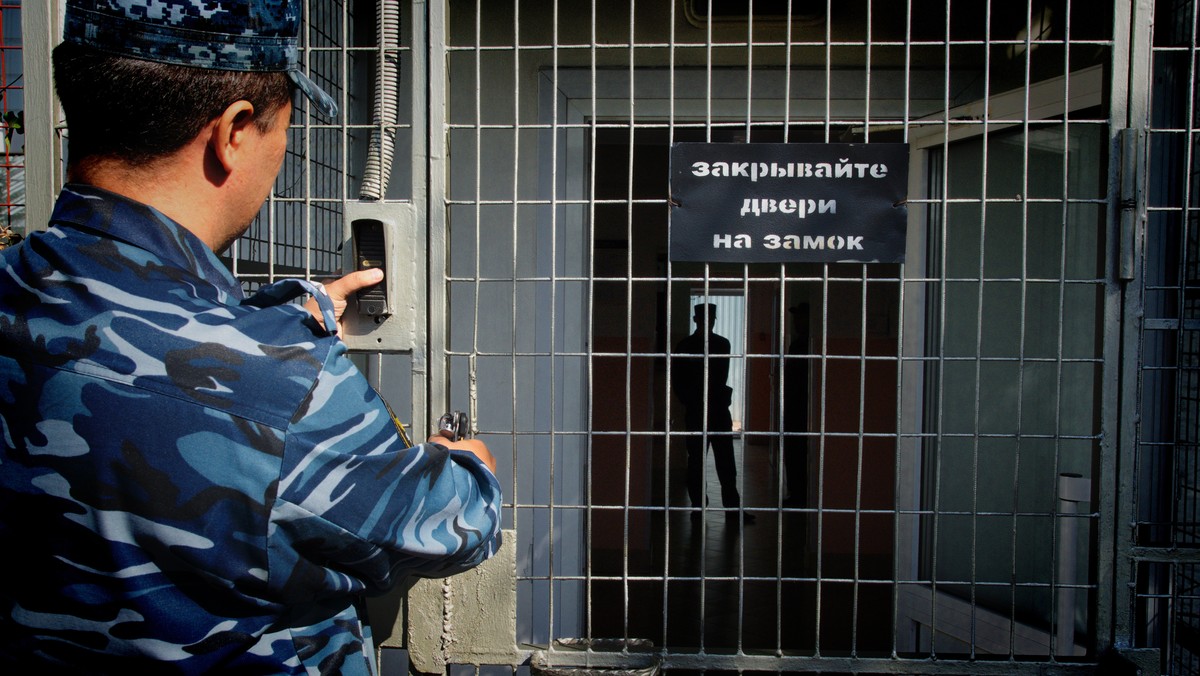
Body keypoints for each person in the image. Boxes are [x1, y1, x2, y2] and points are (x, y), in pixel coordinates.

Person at [0, 1, 502, 672]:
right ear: (234, 131)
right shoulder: (288, 393)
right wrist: (467, 463)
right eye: (284, 127)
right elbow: (447, 525)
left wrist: (288, 312)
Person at [673, 303, 752, 524]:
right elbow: (681, 380)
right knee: (711, 462)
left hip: (707, 410)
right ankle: (717, 509)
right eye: (706, 318)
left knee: (713, 462)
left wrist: (690, 399)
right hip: (710, 410)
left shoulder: (690, 345)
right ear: (699, 319)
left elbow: (682, 381)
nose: (708, 321)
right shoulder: (716, 344)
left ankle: (706, 509)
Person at [781, 303, 811, 507]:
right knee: (793, 451)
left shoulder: (805, 345)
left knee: (797, 452)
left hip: (801, 407)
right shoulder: (798, 344)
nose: (797, 322)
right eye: (796, 318)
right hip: (795, 406)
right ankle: (797, 492)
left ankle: (800, 494)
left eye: (801, 318)